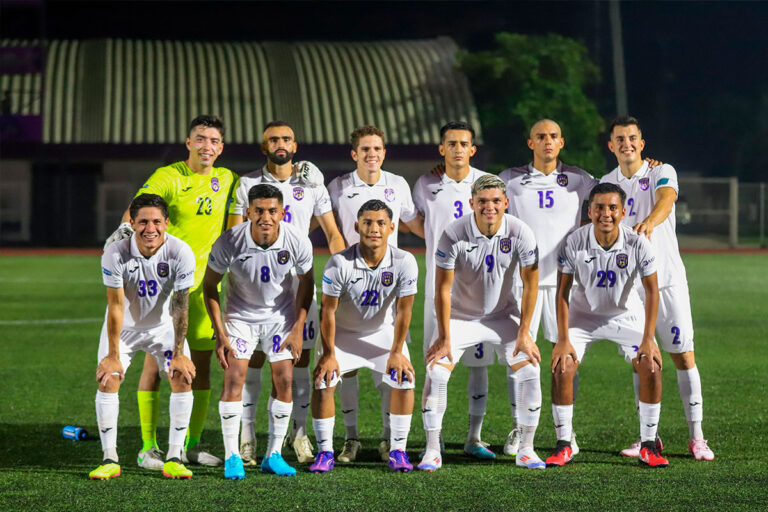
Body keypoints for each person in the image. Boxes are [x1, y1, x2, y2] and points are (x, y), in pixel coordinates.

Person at [104, 115, 238, 469]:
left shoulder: (227, 179)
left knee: (201, 368)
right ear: (188, 142)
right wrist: (120, 236)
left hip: (204, 288)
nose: (206, 145)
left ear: (221, 147)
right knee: (155, 365)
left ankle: (190, 445)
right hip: (163, 290)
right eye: (200, 139)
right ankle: (149, 446)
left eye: (213, 140)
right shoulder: (169, 176)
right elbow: (137, 210)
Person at [228, 121, 345, 465]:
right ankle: (247, 434)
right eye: (273, 140)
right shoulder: (247, 183)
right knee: (254, 361)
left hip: (298, 285)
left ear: (295, 145)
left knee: (300, 361)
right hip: (255, 289)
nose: (280, 144)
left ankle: (299, 434)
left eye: (286, 139)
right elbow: (234, 234)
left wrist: (344, 272)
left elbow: (332, 233)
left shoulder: (311, 183)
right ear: (263, 147)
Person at [600, 116, 714, 461]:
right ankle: (648, 438)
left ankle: (697, 437)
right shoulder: (605, 182)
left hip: (666, 282)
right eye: (620, 139)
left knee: (682, 356)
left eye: (632, 138)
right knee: (642, 361)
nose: (626, 144)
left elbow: (666, 199)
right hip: (630, 288)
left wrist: (648, 222)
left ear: (642, 142)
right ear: (611, 145)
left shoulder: (661, 171)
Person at [422, 174, 545, 471]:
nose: (489, 207)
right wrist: (444, 335)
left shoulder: (521, 232)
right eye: (482, 202)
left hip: (501, 316)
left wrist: (525, 333)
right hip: (461, 316)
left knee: (530, 370)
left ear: (505, 203)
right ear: (471, 203)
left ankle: (527, 448)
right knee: (436, 374)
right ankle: (432, 449)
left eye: (495, 202)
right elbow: (442, 289)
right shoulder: (453, 233)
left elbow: (531, 285)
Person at [546, 182, 669, 468]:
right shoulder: (574, 241)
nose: (606, 213)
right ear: (589, 211)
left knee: (650, 364)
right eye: (599, 207)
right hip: (584, 315)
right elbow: (562, 293)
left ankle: (649, 445)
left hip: (625, 314)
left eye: (613, 207)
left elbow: (652, 291)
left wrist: (649, 338)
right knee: (562, 365)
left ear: (623, 212)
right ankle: (563, 444)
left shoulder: (637, 243)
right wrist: (563, 339)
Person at [498, 119, 598, 456]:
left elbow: (614, 191)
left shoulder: (581, 180)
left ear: (562, 141)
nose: (547, 142)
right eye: (540, 137)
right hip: (520, 281)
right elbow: (477, 191)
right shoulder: (509, 180)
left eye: (553, 136)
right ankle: (518, 426)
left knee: (565, 359)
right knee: (519, 356)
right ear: (530, 143)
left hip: (564, 285)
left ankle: (566, 432)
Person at [326, 125, 424, 463]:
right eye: (365, 149)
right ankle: (351, 439)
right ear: (354, 154)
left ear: (384, 152)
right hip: (351, 278)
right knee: (346, 370)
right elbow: (325, 224)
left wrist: (447, 242)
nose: (372, 154)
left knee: (392, 370)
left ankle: (388, 440)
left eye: (377, 148)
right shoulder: (338, 187)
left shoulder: (398, 184)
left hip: (388, 285)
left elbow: (412, 223)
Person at [203, 184, 314, 480]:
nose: (266, 217)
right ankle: (232, 456)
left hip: (280, 317)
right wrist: (221, 333)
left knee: (285, 381)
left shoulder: (296, 240)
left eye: (272, 211)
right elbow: (209, 286)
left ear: (282, 213)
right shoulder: (229, 241)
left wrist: (298, 327)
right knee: (235, 378)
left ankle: (273, 455)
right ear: (249, 212)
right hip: (240, 317)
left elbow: (307, 283)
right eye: (259, 211)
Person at [89, 194, 197, 480]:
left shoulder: (181, 251)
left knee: (182, 376)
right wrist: (113, 356)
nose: (151, 228)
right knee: (108, 379)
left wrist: (180, 353)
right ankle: (110, 458)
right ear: (132, 224)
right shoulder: (115, 252)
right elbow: (115, 306)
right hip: (124, 329)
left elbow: (181, 305)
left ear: (167, 223)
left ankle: (174, 457)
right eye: (144, 222)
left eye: (157, 222)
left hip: (162, 328)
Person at [309, 199, 418, 474]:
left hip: (382, 335)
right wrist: (329, 354)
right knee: (324, 381)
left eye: (381, 223)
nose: (374, 228)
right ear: (357, 226)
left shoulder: (405, 262)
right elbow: (328, 313)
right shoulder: (339, 262)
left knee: (404, 379)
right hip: (342, 337)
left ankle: (398, 451)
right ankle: (325, 452)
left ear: (392, 227)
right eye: (367, 222)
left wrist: (396, 352)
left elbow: (404, 312)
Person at [412, 121, 497, 460]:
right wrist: (435, 239)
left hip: (478, 290)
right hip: (439, 289)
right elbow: (415, 222)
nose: (458, 148)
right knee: (435, 364)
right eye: (452, 143)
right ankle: (436, 439)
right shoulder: (426, 184)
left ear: (472, 149)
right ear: (441, 149)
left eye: (464, 143)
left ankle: (474, 437)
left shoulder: (487, 183)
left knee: (479, 364)